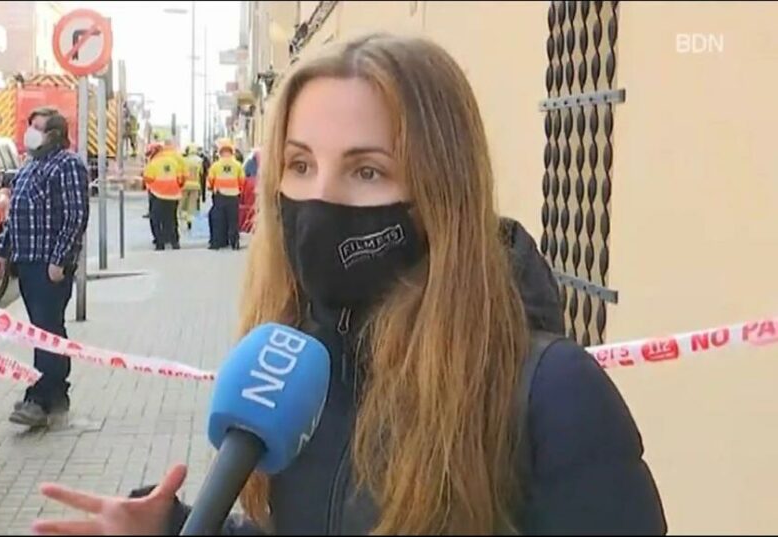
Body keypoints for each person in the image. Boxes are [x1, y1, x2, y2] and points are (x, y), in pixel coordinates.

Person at [33, 34, 667, 535]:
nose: (319, 198)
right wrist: (177, 527)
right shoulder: (291, 372)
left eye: (366, 171)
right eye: (301, 164)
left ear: (441, 194)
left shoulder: (554, 395)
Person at [0, 107, 89, 427]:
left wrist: (60, 260)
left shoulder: (67, 165)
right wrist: (2, 250)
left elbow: (75, 217)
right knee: (42, 331)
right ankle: (55, 394)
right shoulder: (32, 164)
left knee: (47, 330)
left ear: (55, 134)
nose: (30, 132)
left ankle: (40, 398)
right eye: (29, 126)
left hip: (49, 265)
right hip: (27, 261)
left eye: (37, 127)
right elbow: (16, 213)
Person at [143, 139, 187, 250]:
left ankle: (160, 243)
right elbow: (181, 178)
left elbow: (147, 179)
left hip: (158, 194)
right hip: (173, 194)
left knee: (156, 219)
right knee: (171, 218)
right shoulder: (174, 161)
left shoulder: (153, 163)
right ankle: (174, 242)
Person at [207, 142, 245, 250]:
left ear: (220, 152)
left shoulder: (216, 165)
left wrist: (211, 188)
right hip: (233, 195)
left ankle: (217, 243)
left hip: (220, 195)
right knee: (233, 220)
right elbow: (242, 181)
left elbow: (210, 181)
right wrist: (238, 190)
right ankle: (234, 242)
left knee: (218, 220)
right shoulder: (237, 165)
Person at [180, 144, 204, 231]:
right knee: (192, 205)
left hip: (185, 186)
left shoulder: (183, 160)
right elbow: (202, 175)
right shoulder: (199, 161)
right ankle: (190, 221)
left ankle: (184, 219)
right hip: (195, 185)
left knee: (183, 205)